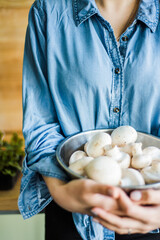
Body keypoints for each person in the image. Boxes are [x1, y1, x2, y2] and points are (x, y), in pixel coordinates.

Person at [18, 0, 160, 239]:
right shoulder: (48, 11)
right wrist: (63, 193)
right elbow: (39, 120)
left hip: (152, 214)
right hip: (71, 212)